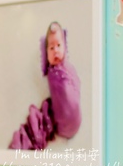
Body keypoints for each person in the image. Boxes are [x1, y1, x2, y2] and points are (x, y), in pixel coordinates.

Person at [8, 22, 82, 150]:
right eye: (51, 48)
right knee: (43, 118)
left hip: (75, 120)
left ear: (65, 48)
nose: (56, 51)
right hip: (62, 125)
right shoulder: (52, 72)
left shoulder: (68, 68)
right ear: (46, 53)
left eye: (59, 45)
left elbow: (76, 86)